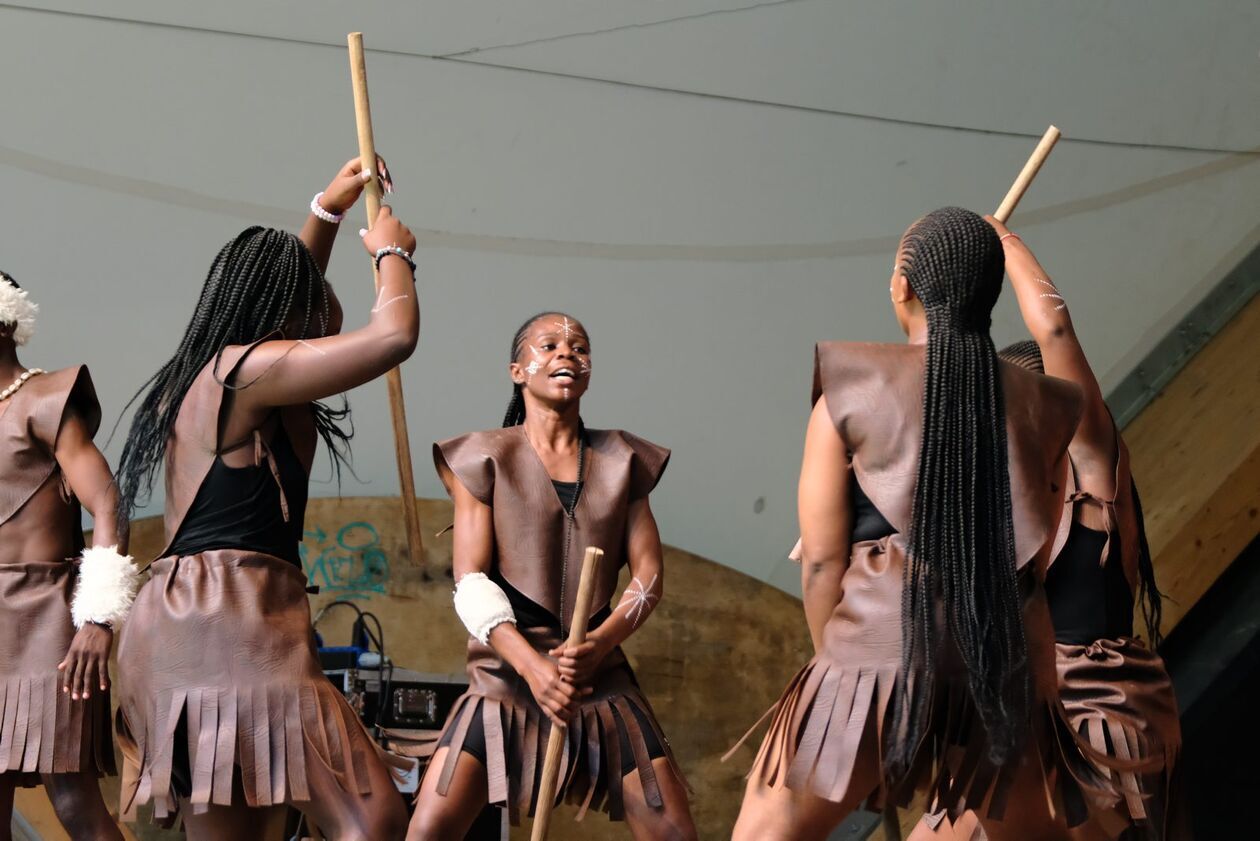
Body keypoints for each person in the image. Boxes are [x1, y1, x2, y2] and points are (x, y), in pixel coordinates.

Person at [732, 207, 1109, 840]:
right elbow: (1037, 552)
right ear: (991, 293)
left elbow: (823, 561)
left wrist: (841, 678)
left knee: (769, 827)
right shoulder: (1049, 404)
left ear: (902, 285)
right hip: (1005, 652)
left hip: (882, 638)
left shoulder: (849, 388)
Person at [113, 157, 418, 840]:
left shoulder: (230, 372)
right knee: (373, 820)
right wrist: (393, 252)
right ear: (286, 307)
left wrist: (327, 211)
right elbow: (394, 334)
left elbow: (288, 295)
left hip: (202, 629)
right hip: (228, 626)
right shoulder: (240, 373)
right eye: (314, 292)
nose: (328, 299)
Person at [408, 312, 697, 841]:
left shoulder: (624, 459)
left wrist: (599, 644)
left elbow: (649, 574)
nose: (567, 352)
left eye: (579, 347)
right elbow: (470, 580)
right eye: (549, 344)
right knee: (429, 829)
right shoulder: (482, 457)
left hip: (598, 672)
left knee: (673, 831)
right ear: (518, 370)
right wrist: (533, 669)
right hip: (506, 674)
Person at [988, 215, 1184, 839]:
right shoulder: (1010, 513)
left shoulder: (1095, 468)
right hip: (1042, 727)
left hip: (1104, 725)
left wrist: (1000, 246)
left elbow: (1054, 328)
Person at [0, 270, 131, 841]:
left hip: (48, 623)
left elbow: (106, 501)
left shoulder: (46, 398)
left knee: (74, 800)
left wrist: (98, 616)